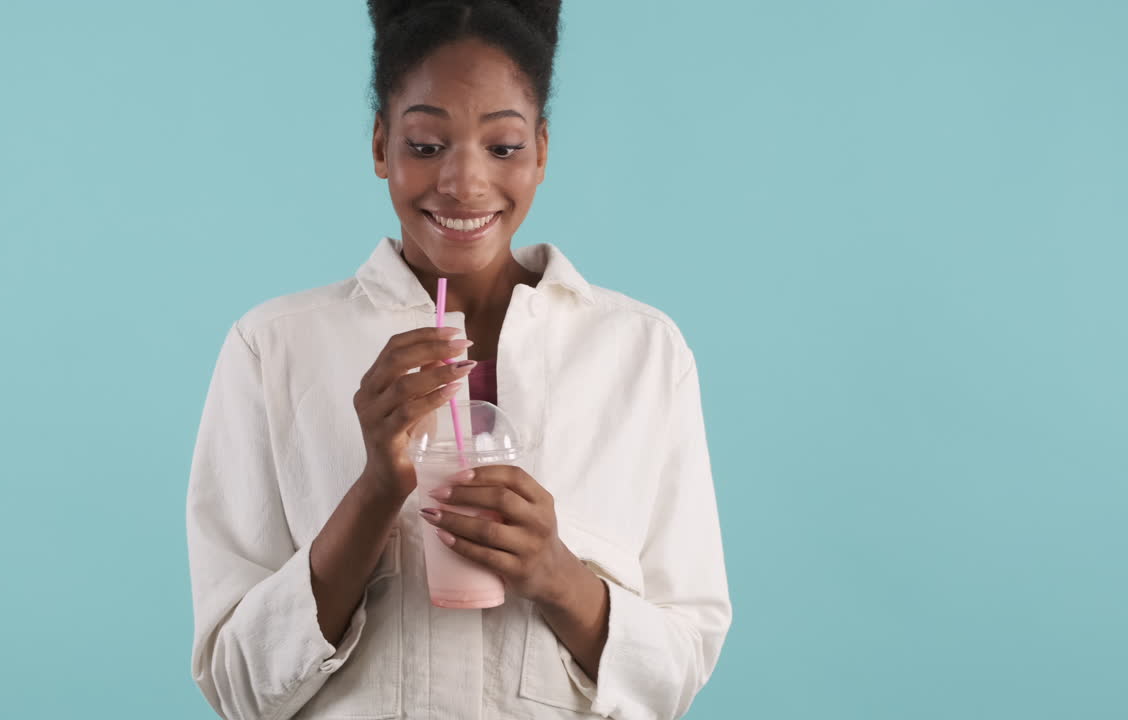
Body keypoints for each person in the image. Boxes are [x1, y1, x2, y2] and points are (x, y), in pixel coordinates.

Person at [186, 1, 732, 717]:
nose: (465, 183)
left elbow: (680, 668)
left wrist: (559, 576)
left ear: (541, 150)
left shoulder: (642, 354)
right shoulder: (273, 349)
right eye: (425, 144)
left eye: (502, 147)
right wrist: (377, 489)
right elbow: (236, 685)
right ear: (381, 145)